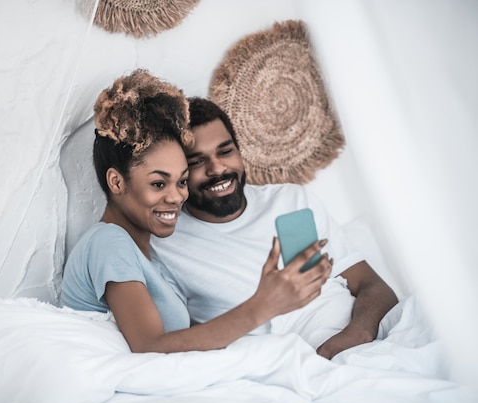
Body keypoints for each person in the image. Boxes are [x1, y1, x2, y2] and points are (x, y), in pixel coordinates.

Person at [60, 69, 333, 354]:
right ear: (117, 182)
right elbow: (149, 347)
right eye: (158, 183)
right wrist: (263, 306)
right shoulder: (109, 242)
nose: (177, 196)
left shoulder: (136, 251)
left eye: (181, 181)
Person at [150, 97, 399, 359]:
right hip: (288, 365)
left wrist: (357, 334)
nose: (218, 168)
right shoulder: (166, 246)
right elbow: (171, 343)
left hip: (369, 338)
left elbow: (373, 286)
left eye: (225, 151)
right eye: (197, 161)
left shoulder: (292, 200)